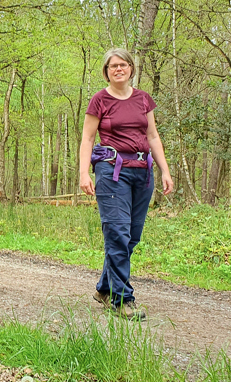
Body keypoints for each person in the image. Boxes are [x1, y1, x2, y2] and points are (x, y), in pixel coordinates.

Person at [78, 48, 173, 320]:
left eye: (123, 65)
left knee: (131, 235)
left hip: (142, 172)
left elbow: (153, 136)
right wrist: (84, 173)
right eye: (113, 66)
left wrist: (165, 170)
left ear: (131, 68)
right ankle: (122, 299)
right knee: (117, 232)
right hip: (112, 171)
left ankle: (104, 288)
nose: (118, 69)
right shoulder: (100, 100)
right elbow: (88, 138)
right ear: (106, 72)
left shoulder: (143, 99)